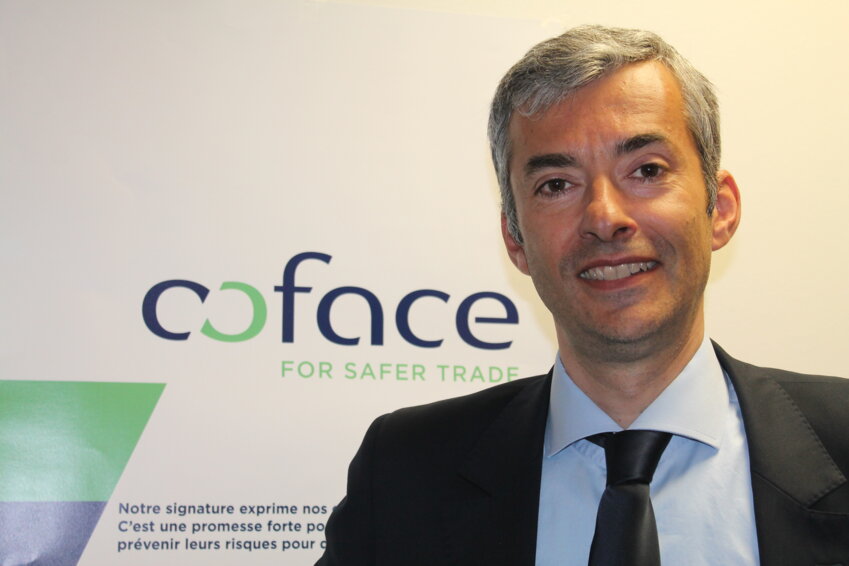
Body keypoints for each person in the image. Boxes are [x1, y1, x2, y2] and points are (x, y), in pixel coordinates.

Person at [316, 25, 849, 566]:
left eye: (646, 171)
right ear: (515, 240)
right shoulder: (404, 473)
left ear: (721, 209)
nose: (604, 217)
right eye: (556, 185)